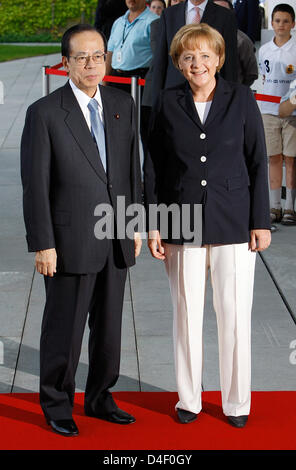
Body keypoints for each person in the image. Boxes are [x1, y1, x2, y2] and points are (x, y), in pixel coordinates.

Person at [145, 23, 271, 428]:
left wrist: (260, 221)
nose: (197, 63)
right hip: (181, 221)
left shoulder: (242, 100)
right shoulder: (165, 103)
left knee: (234, 315)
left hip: (234, 220)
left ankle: (237, 403)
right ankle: (189, 398)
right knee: (186, 314)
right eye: (188, 57)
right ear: (178, 64)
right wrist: (154, 223)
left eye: (204, 55)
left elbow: (257, 161)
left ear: (219, 59)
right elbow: (154, 169)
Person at [21, 24, 142, 437]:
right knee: (65, 329)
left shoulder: (122, 104)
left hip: (117, 237)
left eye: (99, 55)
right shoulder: (45, 113)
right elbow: (35, 185)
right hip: (69, 241)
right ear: (66, 63)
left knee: (109, 329)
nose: (92, 64)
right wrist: (43, 244)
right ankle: (56, 403)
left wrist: (135, 224)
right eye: (82, 57)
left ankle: (100, 397)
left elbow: (131, 173)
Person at [151, 0, 238, 104]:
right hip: (173, 94)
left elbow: (230, 63)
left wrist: (230, 100)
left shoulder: (225, 16)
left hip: (210, 96)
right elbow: (160, 60)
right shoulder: (169, 14)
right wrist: (155, 100)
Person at [105, 0, 158, 160]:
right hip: (116, 79)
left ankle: (147, 178)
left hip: (140, 81)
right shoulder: (119, 21)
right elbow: (110, 52)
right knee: (117, 130)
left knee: (145, 130)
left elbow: (158, 56)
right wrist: (105, 81)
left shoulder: (153, 21)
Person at [259, 4, 296, 226]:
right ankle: (275, 205)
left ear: (293, 24)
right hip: (268, 111)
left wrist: (291, 103)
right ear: (271, 23)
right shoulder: (264, 50)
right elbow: (264, 79)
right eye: (277, 21)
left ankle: (291, 206)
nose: (281, 25)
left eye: (285, 21)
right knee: (273, 157)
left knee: (291, 159)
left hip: (291, 112)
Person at [214, 0, 258, 86]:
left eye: (224, 12)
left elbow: (251, 74)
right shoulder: (201, 39)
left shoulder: (242, 40)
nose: (220, 15)